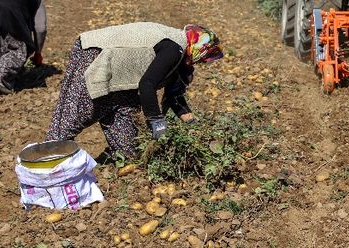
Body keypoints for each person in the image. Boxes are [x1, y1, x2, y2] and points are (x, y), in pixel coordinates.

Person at [45, 22, 223, 159]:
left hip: (124, 75)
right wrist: (156, 122)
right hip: (95, 53)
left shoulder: (183, 59)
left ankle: (119, 156)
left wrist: (194, 127)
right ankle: (48, 162)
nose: (204, 62)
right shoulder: (173, 48)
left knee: (129, 148)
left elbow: (174, 95)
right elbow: (147, 84)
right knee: (78, 114)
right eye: (206, 56)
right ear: (200, 47)